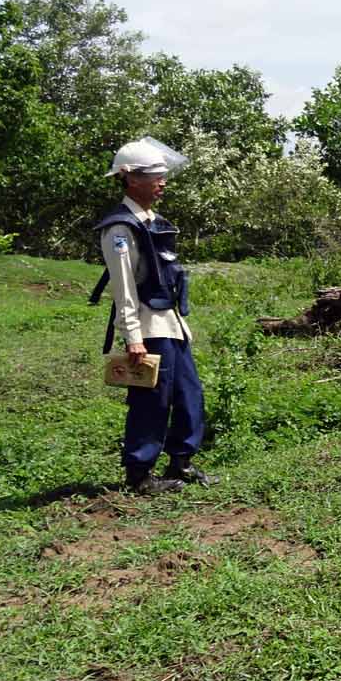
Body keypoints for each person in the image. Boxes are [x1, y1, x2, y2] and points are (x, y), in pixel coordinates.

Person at [89, 138, 211, 495]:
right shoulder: (120, 228)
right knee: (150, 402)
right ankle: (140, 475)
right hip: (146, 326)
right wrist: (132, 337)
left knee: (190, 395)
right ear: (130, 179)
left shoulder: (154, 221)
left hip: (171, 323)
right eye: (154, 176)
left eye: (162, 174)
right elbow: (124, 287)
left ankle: (181, 463)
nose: (162, 182)